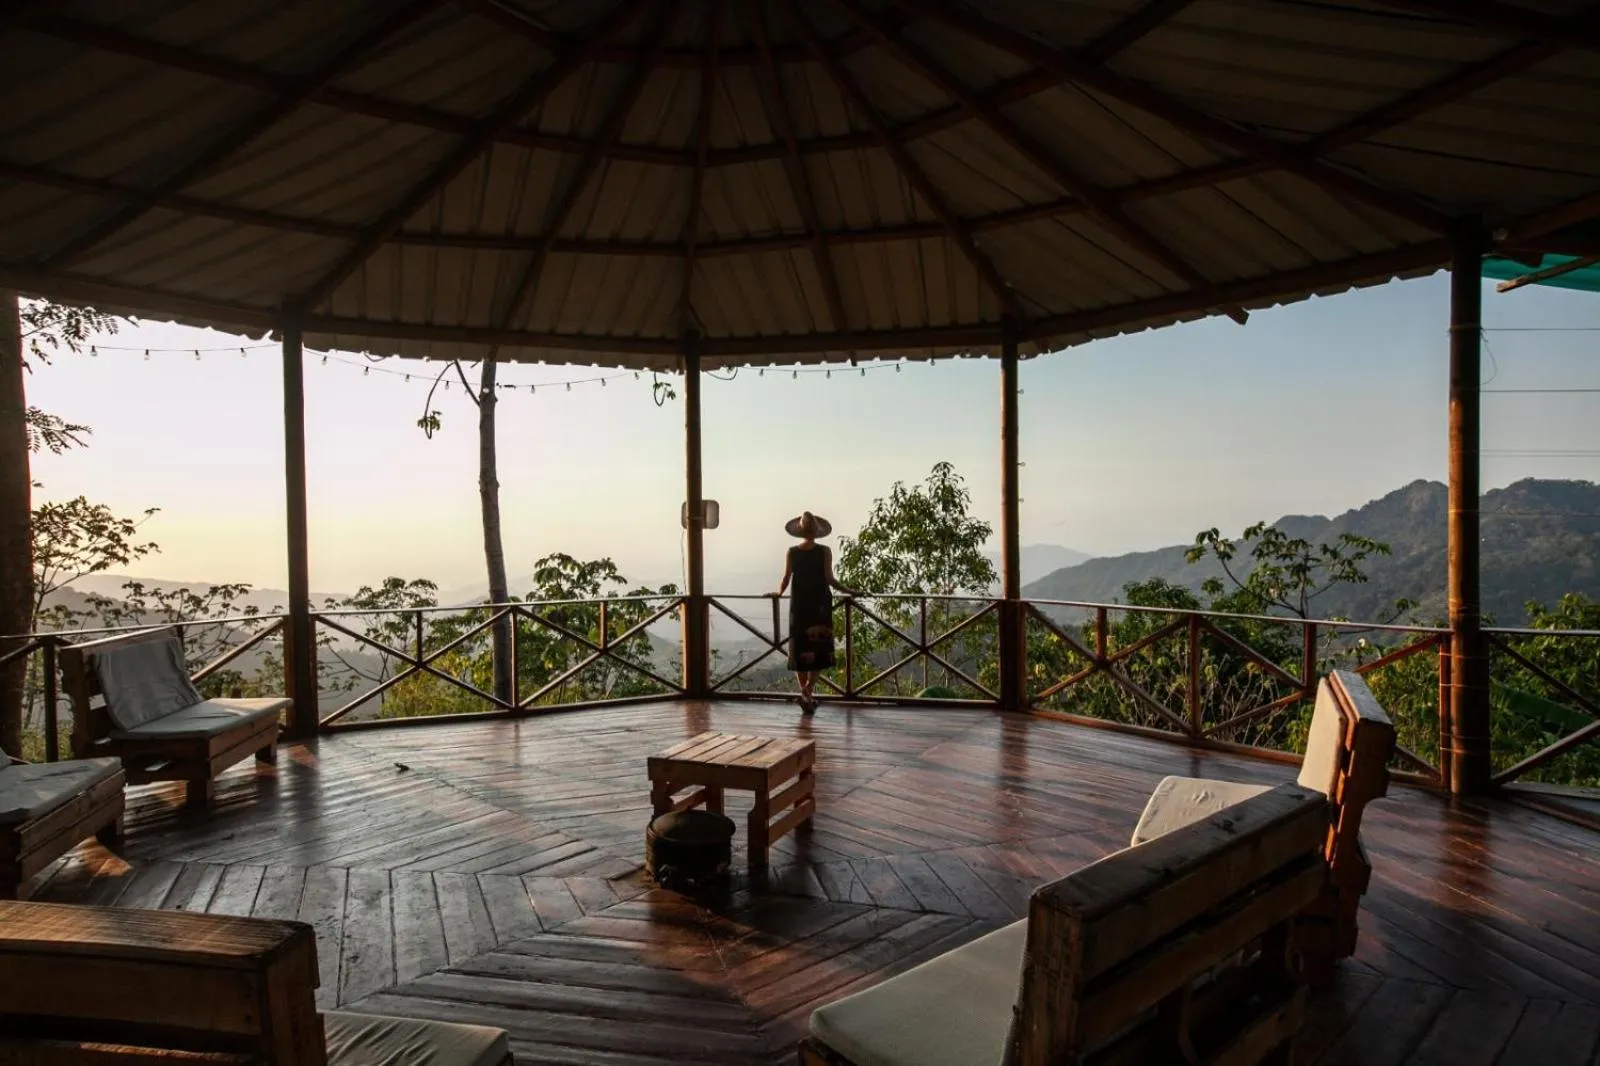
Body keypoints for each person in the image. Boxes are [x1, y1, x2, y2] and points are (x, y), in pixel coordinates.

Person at [775, 511, 856, 713]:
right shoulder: (824, 551)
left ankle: (807, 696)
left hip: (799, 606)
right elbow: (830, 579)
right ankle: (808, 690)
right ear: (817, 531)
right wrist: (850, 591)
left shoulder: (792, 552)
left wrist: (778, 593)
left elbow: (786, 578)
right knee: (819, 648)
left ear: (800, 531)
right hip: (820, 604)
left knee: (800, 648)